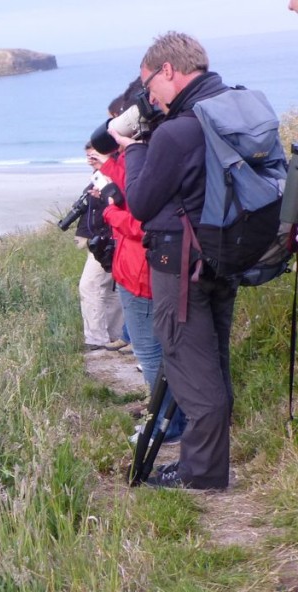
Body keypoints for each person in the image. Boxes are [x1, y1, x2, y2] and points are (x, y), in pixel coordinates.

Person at [112, 32, 238, 489]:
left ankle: (201, 475)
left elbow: (142, 202)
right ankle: (210, 463)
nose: (149, 98)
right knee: (214, 361)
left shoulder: (177, 130)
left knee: (189, 363)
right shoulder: (231, 106)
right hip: (227, 253)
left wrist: (135, 148)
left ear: (168, 70)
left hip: (182, 263)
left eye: (149, 86)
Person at [98, 79, 185, 445]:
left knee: (153, 356)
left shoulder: (146, 156)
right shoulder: (150, 153)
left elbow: (138, 219)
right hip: (136, 269)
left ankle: (168, 427)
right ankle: (170, 420)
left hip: (143, 273)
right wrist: (110, 168)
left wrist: (108, 209)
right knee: (158, 354)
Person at [76, 143, 124, 352]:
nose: (90, 160)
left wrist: (103, 195)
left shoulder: (112, 176)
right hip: (103, 239)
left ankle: (96, 338)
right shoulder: (100, 174)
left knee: (90, 286)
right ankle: (115, 335)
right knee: (112, 289)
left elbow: (118, 202)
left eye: (94, 156)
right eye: (87, 156)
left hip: (107, 239)